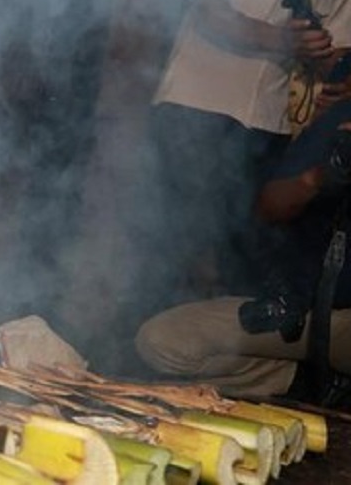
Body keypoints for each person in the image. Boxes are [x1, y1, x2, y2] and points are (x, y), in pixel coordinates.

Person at [147, 0, 351, 309]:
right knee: (179, 247)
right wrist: (285, 41)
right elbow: (212, 14)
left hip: (270, 129)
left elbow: (337, 55)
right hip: (197, 112)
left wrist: (338, 83)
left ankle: (208, 375)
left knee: (238, 259)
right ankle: (141, 358)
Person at [136, 97, 351, 402]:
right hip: (302, 314)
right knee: (163, 341)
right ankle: (301, 380)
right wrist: (320, 176)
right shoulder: (343, 115)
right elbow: (270, 207)